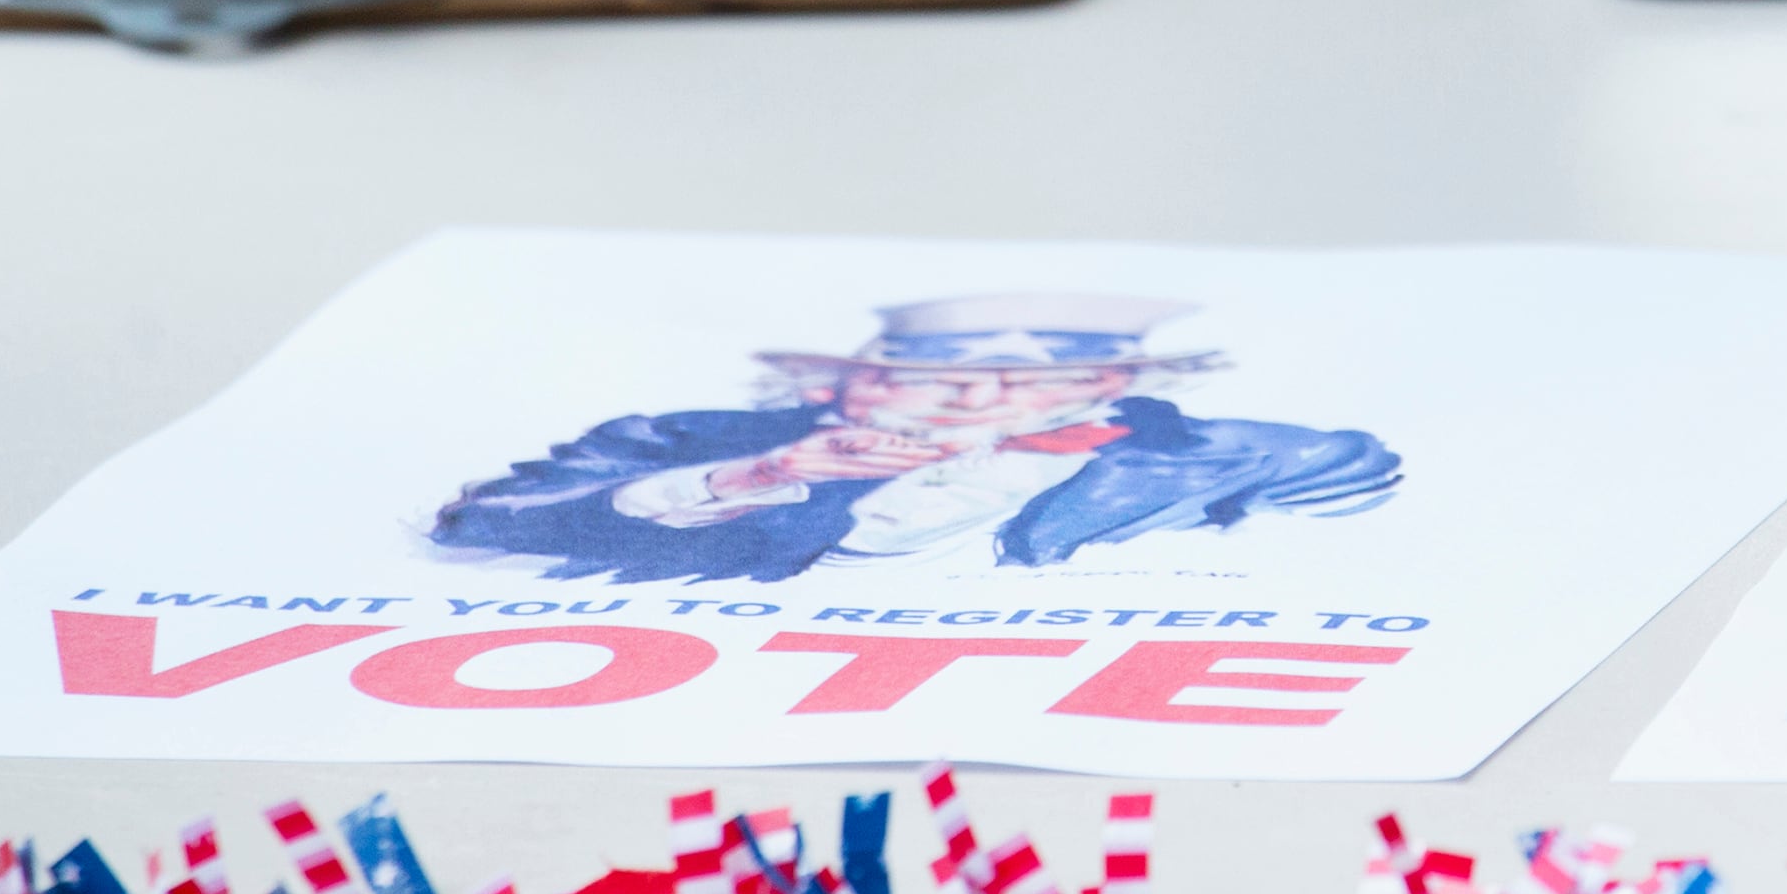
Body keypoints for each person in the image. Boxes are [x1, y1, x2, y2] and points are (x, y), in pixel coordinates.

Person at [430, 294, 1399, 585]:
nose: (974, 399)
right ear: (855, 378)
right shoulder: (686, 436)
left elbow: (1348, 490)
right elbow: (481, 526)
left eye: (1034, 383)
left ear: (1114, 384)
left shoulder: (1244, 452)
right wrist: (758, 475)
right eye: (927, 380)